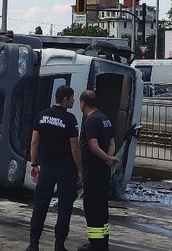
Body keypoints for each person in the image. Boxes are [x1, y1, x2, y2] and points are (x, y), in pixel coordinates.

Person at [26, 85, 83, 251]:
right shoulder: (70, 119)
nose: (73, 101)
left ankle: (33, 243)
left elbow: (34, 142)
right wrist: (79, 170)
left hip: (47, 167)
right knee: (65, 207)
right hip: (66, 169)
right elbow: (74, 148)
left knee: (40, 205)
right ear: (65, 99)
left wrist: (34, 164)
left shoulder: (42, 116)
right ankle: (59, 245)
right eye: (72, 98)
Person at [77, 90, 117, 251]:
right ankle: (103, 242)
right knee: (102, 207)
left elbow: (93, 147)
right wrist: (109, 157)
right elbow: (112, 142)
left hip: (92, 169)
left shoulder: (91, 121)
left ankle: (95, 244)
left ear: (82, 103)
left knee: (92, 207)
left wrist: (106, 158)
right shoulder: (104, 118)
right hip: (103, 170)